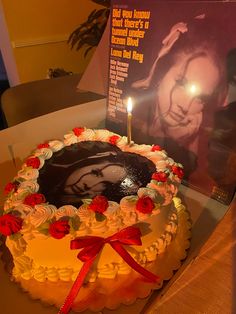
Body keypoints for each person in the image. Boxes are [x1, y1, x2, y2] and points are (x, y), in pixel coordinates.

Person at [131, 14, 229, 179]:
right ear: (162, 71)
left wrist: (187, 145)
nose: (186, 105)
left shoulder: (199, 152)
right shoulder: (129, 118)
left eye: (201, 98)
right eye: (182, 83)